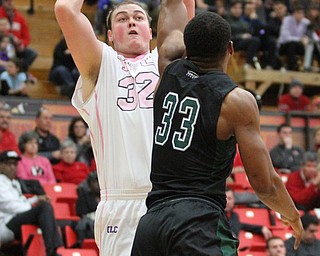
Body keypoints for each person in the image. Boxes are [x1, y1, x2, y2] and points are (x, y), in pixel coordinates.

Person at [131, 1, 303, 255]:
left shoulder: (168, 66)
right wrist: (292, 215)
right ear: (230, 49)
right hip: (198, 224)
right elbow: (264, 183)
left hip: (152, 224)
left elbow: (170, 7)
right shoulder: (236, 101)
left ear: (187, 48)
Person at [54, 0, 193, 255]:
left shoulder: (170, 63)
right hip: (122, 204)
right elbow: (65, 9)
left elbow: (182, 6)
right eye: (121, 18)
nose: (131, 21)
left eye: (139, 17)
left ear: (151, 31)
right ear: (109, 36)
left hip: (173, 199)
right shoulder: (100, 64)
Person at [0, 150, 63, 256]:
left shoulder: (14, 182)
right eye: (8, 164)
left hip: (15, 219)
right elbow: (10, 206)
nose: (12, 167)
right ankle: (51, 250)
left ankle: (54, 249)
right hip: (5, 224)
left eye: (15, 164)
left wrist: (36, 199)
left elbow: (20, 202)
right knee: (44, 208)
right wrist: (32, 207)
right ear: (0, 165)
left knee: (47, 210)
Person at [0, 0, 37, 73]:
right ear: (2, 2)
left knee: (32, 53)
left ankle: (20, 70)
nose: (10, 2)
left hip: (15, 46)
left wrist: (22, 44)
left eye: (11, 0)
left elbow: (26, 37)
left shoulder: (20, 17)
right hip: (3, 45)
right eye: (7, 1)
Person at [225, 0, 261, 68]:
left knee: (258, 40)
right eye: (235, 8)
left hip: (245, 43)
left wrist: (254, 20)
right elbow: (226, 36)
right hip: (233, 43)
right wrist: (241, 36)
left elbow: (252, 31)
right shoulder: (226, 20)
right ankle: (248, 64)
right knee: (254, 41)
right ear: (230, 9)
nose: (238, 10)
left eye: (239, 8)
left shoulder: (244, 22)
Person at [278, 2, 310, 71]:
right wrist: (300, 39)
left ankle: (307, 67)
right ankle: (292, 67)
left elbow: (311, 36)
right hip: (284, 46)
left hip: (299, 46)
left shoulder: (306, 22)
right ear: (294, 13)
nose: (300, 15)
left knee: (311, 47)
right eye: (298, 13)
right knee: (291, 44)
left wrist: (307, 39)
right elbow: (286, 38)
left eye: (302, 13)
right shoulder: (287, 20)